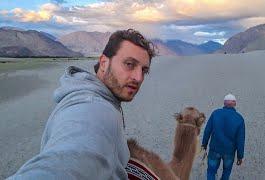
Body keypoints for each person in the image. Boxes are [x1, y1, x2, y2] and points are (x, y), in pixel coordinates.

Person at [7, 29, 156, 180]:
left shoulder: (104, 98)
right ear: (104, 62)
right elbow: (67, 162)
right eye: (129, 64)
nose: (138, 77)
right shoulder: (94, 109)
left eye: (144, 70)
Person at [201, 94, 245, 180]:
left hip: (214, 149)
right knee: (226, 171)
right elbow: (240, 140)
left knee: (211, 171)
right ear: (235, 103)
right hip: (229, 152)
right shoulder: (239, 118)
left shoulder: (215, 113)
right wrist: (240, 156)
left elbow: (207, 131)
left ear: (224, 103)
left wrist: (204, 145)